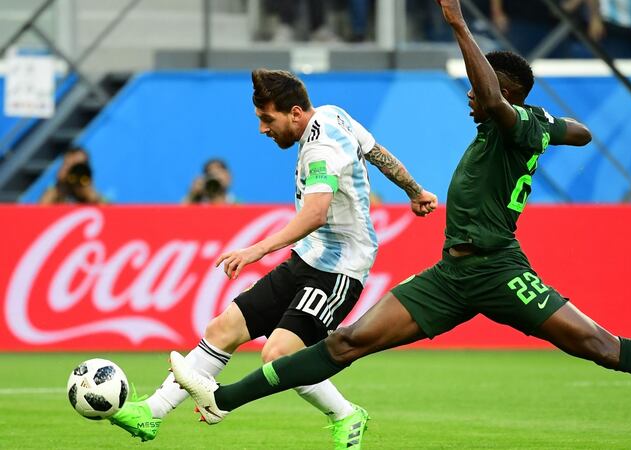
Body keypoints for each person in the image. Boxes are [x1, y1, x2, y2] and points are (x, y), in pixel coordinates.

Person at [171, 1, 631, 449]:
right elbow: (582, 132)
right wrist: (549, 123)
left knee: (601, 347)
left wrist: (461, 26)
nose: (470, 95)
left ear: (502, 94)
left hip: (500, 271)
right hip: (450, 277)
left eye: (482, 87)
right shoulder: (519, 124)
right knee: (345, 344)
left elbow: (495, 101)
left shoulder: (506, 120)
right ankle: (222, 400)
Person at [109, 68, 437, 449]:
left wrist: (255, 250)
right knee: (222, 329)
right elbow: (378, 153)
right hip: (308, 258)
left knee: (279, 354)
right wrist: (415, 191)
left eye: (268, 119)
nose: (263, 130)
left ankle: (345, 414)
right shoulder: (334, 114)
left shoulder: (321, 150)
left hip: (339, 270)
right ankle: (152, 413)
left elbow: (315, 213)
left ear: (295, 113)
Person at [39, 147, 105, 205]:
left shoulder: (89, 191)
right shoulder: (55, 192)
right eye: (69, 165)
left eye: (79, 166)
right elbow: (40, 212)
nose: (76, 171)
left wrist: (91, 196)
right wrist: (59, 188)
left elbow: (110, 214)